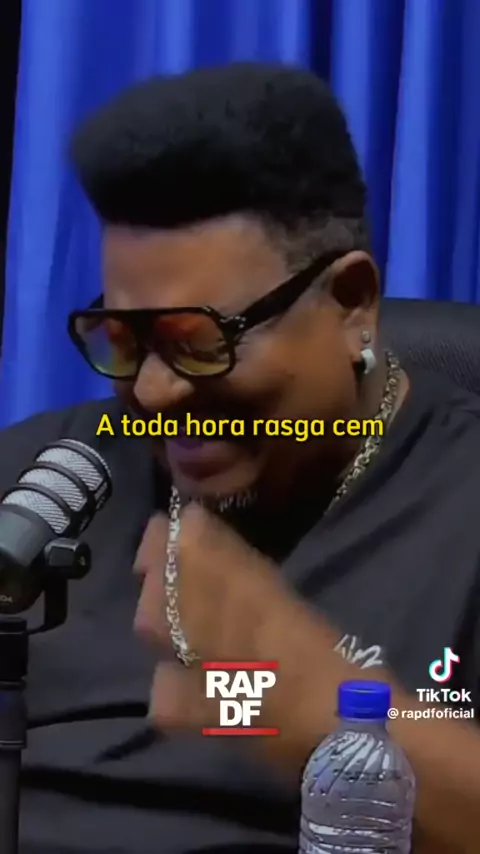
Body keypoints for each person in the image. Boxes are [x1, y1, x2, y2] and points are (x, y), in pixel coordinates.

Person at [1, 62, 479, 854]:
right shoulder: (33, 493)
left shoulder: (460, 506)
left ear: (352, 303)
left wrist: (316, 704)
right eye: (125, 341)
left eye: (198, 343)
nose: (154, 392)